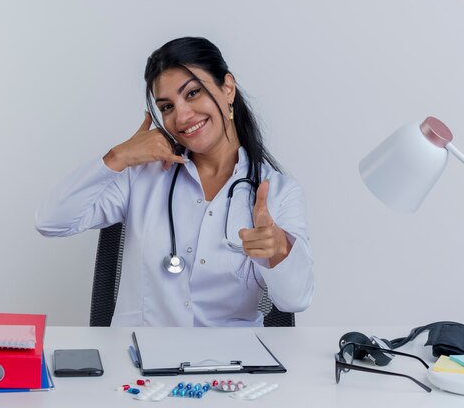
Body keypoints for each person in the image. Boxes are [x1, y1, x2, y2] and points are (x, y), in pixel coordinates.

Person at [35, 37, 313, 326]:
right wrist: (118, 156)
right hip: (138, 360)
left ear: (227, 89)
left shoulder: (279, 192)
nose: (181, 116)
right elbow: (51, 221)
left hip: (228, 363)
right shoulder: (142, 176)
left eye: (193, 93)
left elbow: (296, 300)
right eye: (167, 107)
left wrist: (280, 249)